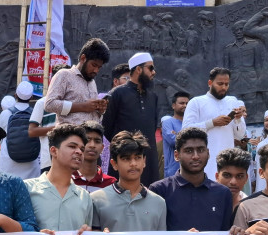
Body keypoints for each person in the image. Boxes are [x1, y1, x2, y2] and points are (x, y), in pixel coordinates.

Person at [149, 127, 232, 232]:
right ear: (176, 155)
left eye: (200, 150)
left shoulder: (223, 193)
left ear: (208, 153)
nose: (196, 156)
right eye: (189, 151)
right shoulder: (159, 190)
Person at [103, 52, 160, 187]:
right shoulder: (117, 93)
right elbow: (107, 126)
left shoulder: (153, 96)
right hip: (124, 156)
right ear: (138, 69)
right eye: (150, 68)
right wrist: (124, 144)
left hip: (148, 158)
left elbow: (152, 127)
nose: (154, 72)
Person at [91, 130, 165, 231]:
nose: (133, 163)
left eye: (137, 157)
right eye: (126, 158)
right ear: (114, 164)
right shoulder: (96, 200)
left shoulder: (159, 203)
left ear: (144, 161)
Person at [26, 123, 93, 234]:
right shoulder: (27, 189)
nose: (79, 152)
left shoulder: (85, 197)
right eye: (72, 146)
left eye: (82, 149)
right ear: (53, 151)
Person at [182, 67, 247, 180]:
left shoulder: (233, 101)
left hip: (227, 161)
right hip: (204, 161)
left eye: (226, 84)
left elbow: (240, 135)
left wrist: (238, 119)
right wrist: (212, 123)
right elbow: (185, 130)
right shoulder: (196, 102)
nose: (224, 87)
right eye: (220, 84)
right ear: (210, 83)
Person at [44, 38, 110, 126]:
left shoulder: (92, 82)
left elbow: (92, 113)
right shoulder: (64, 75)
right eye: (94, 65)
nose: (96, 70)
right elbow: (49, 104)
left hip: (91, 133)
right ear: (83, 58)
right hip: (69, 133)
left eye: (99, 67)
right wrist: (83, 106)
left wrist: (99, 110)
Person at [0, 81, 40, 180]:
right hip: (31, 162)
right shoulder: (36, 114)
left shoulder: (5, 113)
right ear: (31, 97)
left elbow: (0, 137)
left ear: (15, 95)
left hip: (8, 162)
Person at [30, 65, 67, 174]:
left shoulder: (74, 103)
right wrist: (59, 128)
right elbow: (32, 131)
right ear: (53, 80)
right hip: (48, 161)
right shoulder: (42, 103)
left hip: (70, 160)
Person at [73, 121, 116, 192]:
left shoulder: (111, 184)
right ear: (78, 145)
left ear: (102, 148)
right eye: (87, 140)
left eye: (97, 141)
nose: (92, 145)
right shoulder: (66, 180)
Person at [161, 91, 190, 178]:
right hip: (173, 171)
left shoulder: (191, 123)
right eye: (182, 103)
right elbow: (173, 141)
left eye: (187, 103)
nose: (185, 105)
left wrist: (178, 134)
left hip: (191, 169)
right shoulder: (167, 123)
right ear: (173, 105)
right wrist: (190, 138)